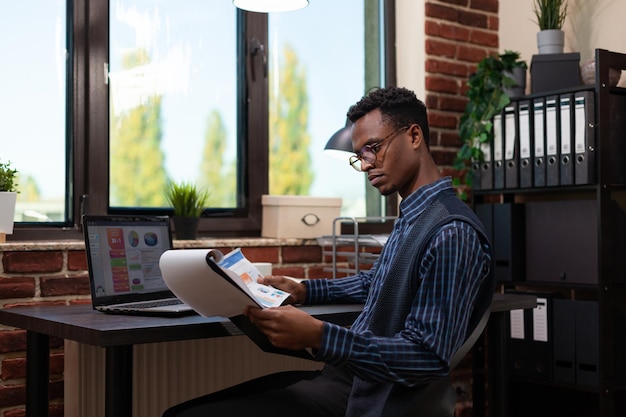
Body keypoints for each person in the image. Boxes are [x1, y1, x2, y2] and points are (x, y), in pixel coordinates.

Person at [162, 86, 494, 417]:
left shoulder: (451, 233)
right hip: (347, 379)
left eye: (373, 148)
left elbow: (426, 358)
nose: (366, 165)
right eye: (360, 155)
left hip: (371, 396)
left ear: (414, 136)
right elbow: (376, 282)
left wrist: (322, 335)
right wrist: (302, 289)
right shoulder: (415, 215)